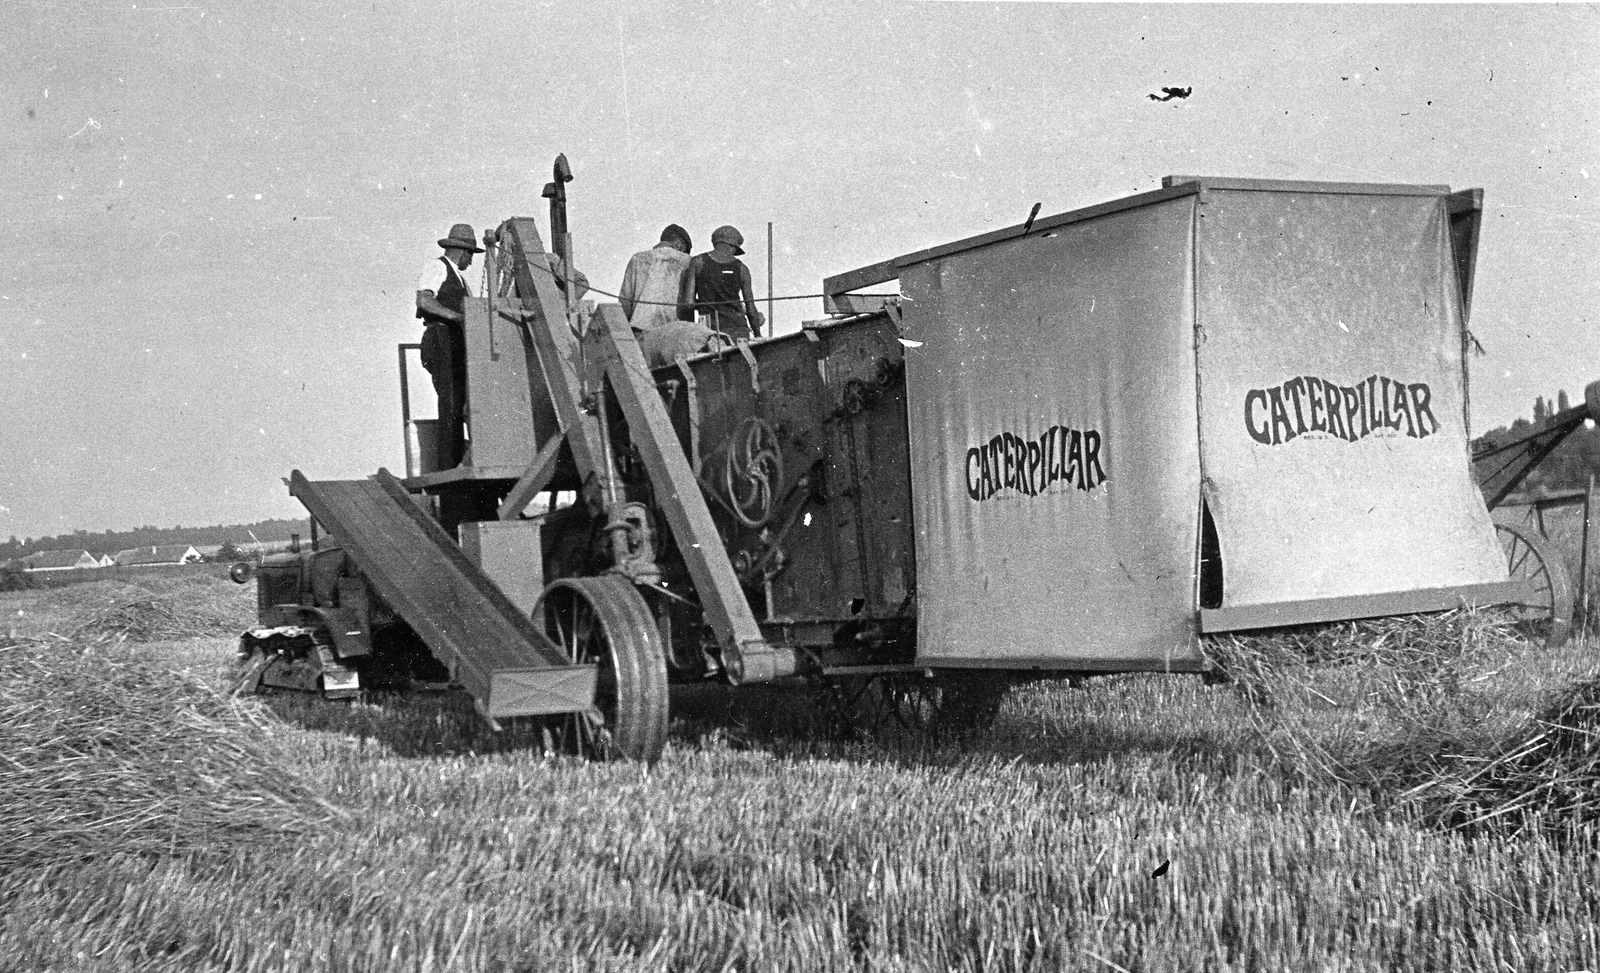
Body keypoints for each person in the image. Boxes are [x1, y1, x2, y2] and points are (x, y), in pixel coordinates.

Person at [415, 223, 480, 470]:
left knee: (461, 402)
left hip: (455, 342)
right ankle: (449, 465)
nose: (471, 262)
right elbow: (424, 299)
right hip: (441, 338)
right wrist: (456, 317)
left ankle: (458, 460)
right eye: (471, 255)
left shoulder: (460, 279)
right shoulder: (437, 267)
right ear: (463, 252)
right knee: (451, 401)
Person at [679, 224, 766, 341]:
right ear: (732, 246)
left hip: (709, 332)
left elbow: (689, 303)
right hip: (739, 332)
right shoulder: (742, 269)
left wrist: (707, 304)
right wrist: (758, 334)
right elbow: (751, 309)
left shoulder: (697, 262)